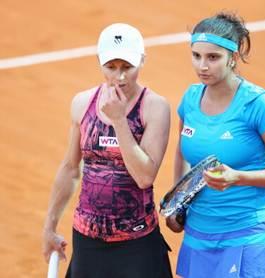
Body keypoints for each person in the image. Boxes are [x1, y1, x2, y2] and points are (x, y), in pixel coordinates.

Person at [166, 12, 265, 278]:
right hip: (199, 234)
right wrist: (177, 203)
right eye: (196, 56)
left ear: (233, 58)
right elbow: (182, 151)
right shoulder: (191, 98)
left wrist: (238, 177)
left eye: (213, 57)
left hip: (247, 235)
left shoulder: (258, 104)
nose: (202, 66)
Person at [42, 23, 173, 278]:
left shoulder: (155, 107)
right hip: (87, 241)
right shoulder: (83, 103)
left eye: (127, 67)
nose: (119, 77)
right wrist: (49, 227)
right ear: (99, 62)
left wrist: (120, 121)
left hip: (136, 245)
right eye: (111, 67)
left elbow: (145, 176)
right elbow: (70, 168)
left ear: (142, 61)